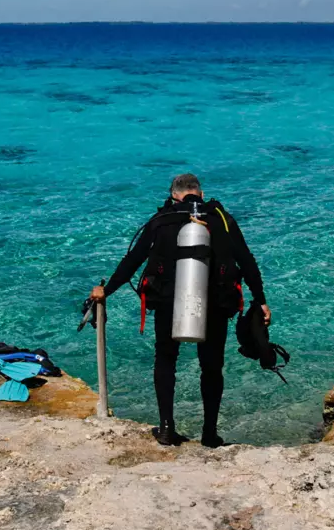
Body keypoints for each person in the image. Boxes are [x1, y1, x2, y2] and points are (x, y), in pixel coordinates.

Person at [90, 173, 269, 448]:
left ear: (174, 195)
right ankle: (209, 433)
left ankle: (166, 428)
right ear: (200, 192)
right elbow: (246, 261)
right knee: (211, 368)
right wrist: (261, 300)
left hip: (167, 303)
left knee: (165, 361)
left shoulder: (160, 221)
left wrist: (107, 290)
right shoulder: (222, 219)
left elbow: (133, 260)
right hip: (215, 305)